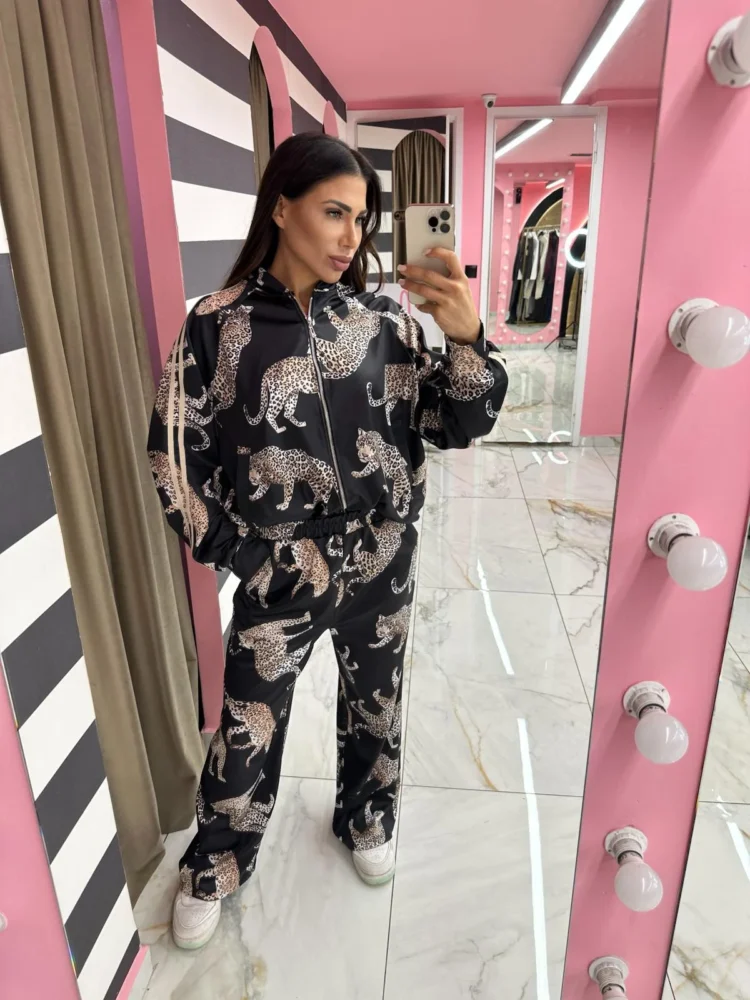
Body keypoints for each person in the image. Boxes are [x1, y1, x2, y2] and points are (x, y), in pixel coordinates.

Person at [147, 131, 508, 950]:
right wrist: (245, 556)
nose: (352, 236)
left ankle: (367, 815)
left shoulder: (384, 323)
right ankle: (217, 860)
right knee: (250, 719)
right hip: (282, 569)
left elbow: (457, 421)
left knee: (377, 703)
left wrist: (466, 337)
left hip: (382, 559)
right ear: (281, 208)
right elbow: (174, 460)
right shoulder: (215, 327)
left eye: (363, 218)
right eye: (334, 212)